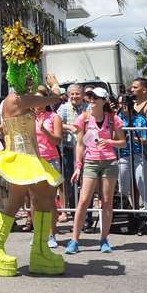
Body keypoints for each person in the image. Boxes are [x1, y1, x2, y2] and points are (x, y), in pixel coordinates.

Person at [0, 22, 64, 276]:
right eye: (26, 73)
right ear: (17, 73)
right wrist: (55, 86)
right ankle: (36, 252)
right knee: (46, 197)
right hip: (23, 157)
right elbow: (53, 98)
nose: (30, 77)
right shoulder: (17, 99)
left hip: (25, 157)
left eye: (31, 73)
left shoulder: (15, 99)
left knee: (18, 201)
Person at [66, 87, 126, 254]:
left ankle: (104, 239)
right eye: (90, 97)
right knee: (84, 201)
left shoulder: (113, 119)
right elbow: (79, 144)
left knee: (106, 201)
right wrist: (78, 166)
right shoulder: (83, 118)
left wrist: (109, 142)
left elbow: (122, 142)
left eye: (96, 97)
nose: (91, 100)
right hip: (91, 162)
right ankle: (74, 240)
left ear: (104, 100)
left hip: (109, 162)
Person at [117, 79, 147, 230]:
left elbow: (146, 137)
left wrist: (134, 137)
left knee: (142, 183)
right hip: (123, 155)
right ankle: (129, 214)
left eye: (135, 87)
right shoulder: (118, 118)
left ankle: (146, 215)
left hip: (140, 154)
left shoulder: (141, 117)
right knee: (123, 185)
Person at [34, 86, 64, 248]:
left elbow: (56, 141)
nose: (37, 103)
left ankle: (52, 234)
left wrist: (44, 129)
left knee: (50, 200)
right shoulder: (28, 117)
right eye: (34, 100)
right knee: (35, 200)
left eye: (40, 100)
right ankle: (38, 234)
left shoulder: (54, 117)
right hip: (33, 161)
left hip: (50, 161)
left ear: (46, 101)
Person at [57, 83, 86, 214]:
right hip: (68, 149)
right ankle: (74, 210)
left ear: (82, 95)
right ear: (68, 95)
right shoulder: (63, 108)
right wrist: (69, 127)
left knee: (85, 180)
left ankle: (86, 213)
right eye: (72, 94)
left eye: (77, 93)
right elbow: (56, 123)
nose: (75, 96)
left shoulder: (88, 107)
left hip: (86, 149)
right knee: (70, 180)